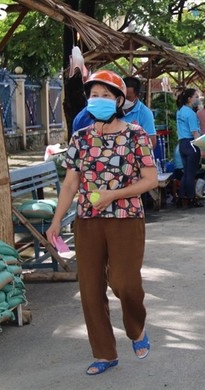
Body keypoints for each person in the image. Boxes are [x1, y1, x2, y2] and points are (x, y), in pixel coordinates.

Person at [46, 70, 158, 376]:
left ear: (119, 100)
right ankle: (104, 353)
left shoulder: (136, 135)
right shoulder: (80, 137)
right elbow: (70, 185)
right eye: (94, 95)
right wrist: (56, 221)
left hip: (126, 219)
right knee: (91, 289)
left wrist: (113, 194)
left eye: (106, 95)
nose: (98, 100)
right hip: (88, 220)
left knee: (124, 282)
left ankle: (136, 329)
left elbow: (150, 180)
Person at [72, 76, 157, 149]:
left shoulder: (141, 125)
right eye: (95, 95)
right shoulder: (80, 132)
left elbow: (151, 143)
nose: (124, 100)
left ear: (137, 96)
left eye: (105, 95)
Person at [176, 88, 203, 208]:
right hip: (192, 144)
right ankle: (191, 199)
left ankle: (182, 198)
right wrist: (202, 147)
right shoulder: (191, 114)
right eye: (196, 97)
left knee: (186, 173)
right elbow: (195, 133)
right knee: (191, 174)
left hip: (182, 144)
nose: (197, 99)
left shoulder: (180, 111)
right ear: (189, 99)